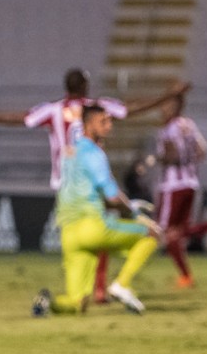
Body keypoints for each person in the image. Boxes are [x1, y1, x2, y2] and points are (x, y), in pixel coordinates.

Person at [0, 68, 188, 302]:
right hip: (92, 179)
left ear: (66, 87)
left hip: (65, 185)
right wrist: (167, 96)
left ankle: (83, 290)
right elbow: (132, 107)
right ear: (86, 86)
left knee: (80, 237)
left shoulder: (53, 110)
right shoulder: (96, 108)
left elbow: (18, 118)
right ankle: (103, 286)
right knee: (105, 230)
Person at [33, 104, 161, 316]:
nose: (109, 126)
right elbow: (112, 196)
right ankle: (121, 284)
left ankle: (47, 303)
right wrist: (132, 210)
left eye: (109, 121)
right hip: (93, 227)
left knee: (77, 303)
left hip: (69, 233)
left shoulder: (69, 153)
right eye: (103, 122)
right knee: (152, 234)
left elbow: (81, 192)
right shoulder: (95, 154)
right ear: (87, 124)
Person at [154, 93, 207, 288]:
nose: (161, 109)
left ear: (174, 107)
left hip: (172, 186)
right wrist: (189, 162)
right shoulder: (189, 125)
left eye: (165, 105)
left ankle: (186, 273)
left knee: (164, 232)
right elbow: (202, 151)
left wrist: (158, 158)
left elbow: (173, 156)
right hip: (190, 183)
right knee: (180, 232)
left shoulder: (168, 129)